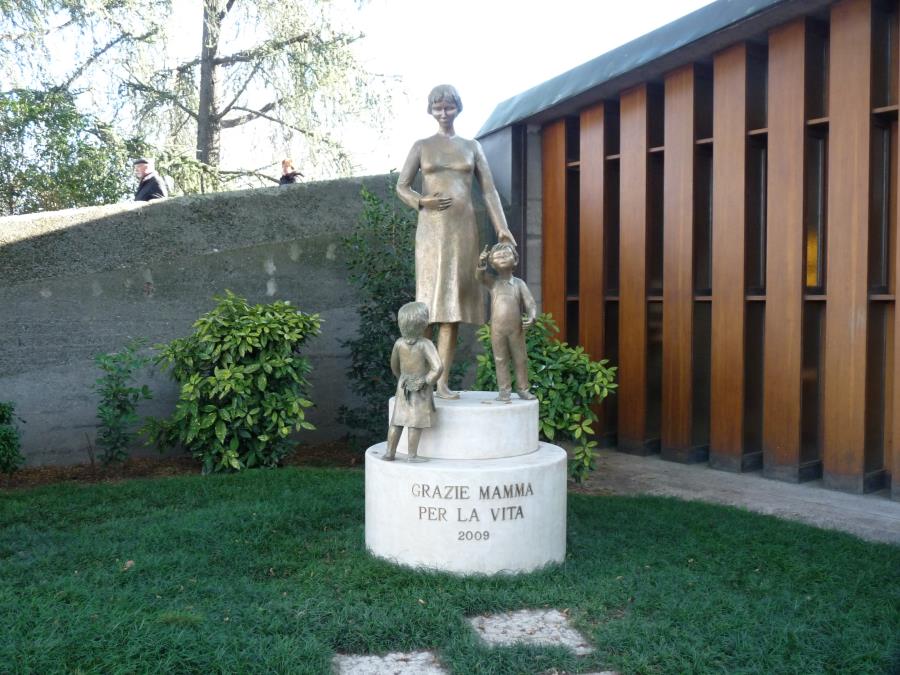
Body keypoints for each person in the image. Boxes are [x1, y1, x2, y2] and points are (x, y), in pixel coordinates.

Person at [396, 84, 516, 399]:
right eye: (438, 108)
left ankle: (441, 382)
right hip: (431, 230)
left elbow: (489, 190)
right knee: (427, 304)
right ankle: (416, 377)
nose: (443, 113)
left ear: (458, 108)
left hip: (463, 231)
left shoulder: (472, 147)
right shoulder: (421, 146)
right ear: (430, 110)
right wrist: (422, 202)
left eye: (448, 107)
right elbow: (402, 186)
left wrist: (502, 228)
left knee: (452, 305)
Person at [383, 301, 443, 462]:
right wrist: (426, 381)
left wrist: (401, 380)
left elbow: (394, 366)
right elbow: (438, 367)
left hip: (403, 385)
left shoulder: (399, 343)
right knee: (414, 422)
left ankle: (389, 453)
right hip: (420, 387)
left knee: (397, 421)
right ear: (423, 324)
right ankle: (412, 455)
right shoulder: (425, 344)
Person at [477, 242, 537, 402]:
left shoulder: (519, 284)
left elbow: (530, 303)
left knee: (520, 359)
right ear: (492, 263)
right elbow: (479, 277)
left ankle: (523, 389)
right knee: (500, 359)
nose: (502, 257)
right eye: (498, 256)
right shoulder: (492, 282)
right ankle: (504, 391)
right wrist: (481, 263)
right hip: (497, 329)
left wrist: (532, 316)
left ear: (515, 260)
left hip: (516, 329)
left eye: (506, 254)